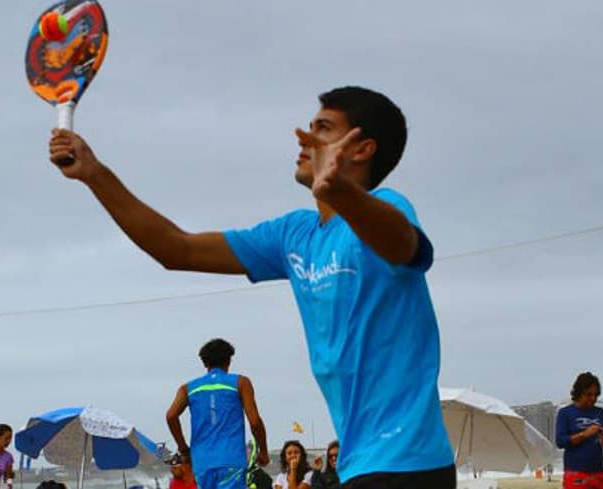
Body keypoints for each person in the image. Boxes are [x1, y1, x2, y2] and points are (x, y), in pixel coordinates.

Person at [48, 86, 456, 489]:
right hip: (361, 464)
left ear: (362, 148)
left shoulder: (389, 207)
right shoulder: (294, 234)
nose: (304, 138)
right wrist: (94, 174)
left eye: (323, 129)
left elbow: (401, 243)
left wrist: (343, 193)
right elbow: (176, 248)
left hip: (410, 461)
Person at [166, 338, 269, 489]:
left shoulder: (188, 389)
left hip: (202, 462)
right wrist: (263, 451)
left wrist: (183, 448)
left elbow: (171, 416)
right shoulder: (240, 383)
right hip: (231, 459)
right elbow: (254, 422)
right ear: (229, 360)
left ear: (204, 363)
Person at [555, 372, 603, 489]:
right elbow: (560, 441)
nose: (593, 398)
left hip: (598, 473)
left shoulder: (600, 412)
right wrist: (584, 434)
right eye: (588, 394)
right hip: (575, 472)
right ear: (578, 393)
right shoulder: (565, 413)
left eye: (596, 395)